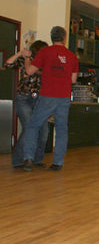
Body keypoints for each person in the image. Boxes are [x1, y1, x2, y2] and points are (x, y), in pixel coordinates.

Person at [21, 26, 78, 171]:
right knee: (61, 129)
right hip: (64, 97)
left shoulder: (44, 52)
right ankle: (58, 162)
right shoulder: (72, 56)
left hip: (47, 96)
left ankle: (28, 158)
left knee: (33, 125)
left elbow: (28, 71)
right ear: (64, 38)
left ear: (52, 37)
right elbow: (73, 79)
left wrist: (27, 57)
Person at [4, 40, 49, 168]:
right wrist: (20, 53)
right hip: (23, 98)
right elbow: (7, 64)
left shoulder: (45, 64)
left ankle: (37, 159)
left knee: (44, 131)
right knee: (29, 127)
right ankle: (19, 159)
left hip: (40, 99)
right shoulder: (26, 59)